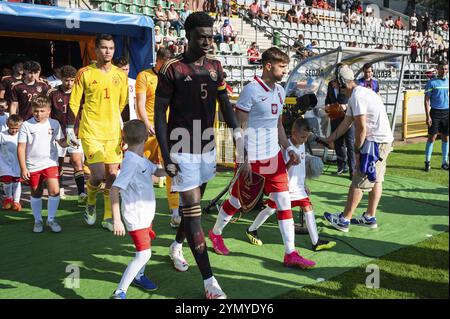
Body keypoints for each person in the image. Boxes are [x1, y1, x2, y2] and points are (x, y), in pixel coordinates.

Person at [154, 12, 242, 299]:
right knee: (192, 214)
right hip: (182, 150)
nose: (207, 41)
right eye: (201, 36)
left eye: (211, 35)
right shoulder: (172, 69)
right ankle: (209, 281)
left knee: (193, 209)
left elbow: (225, 104)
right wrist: (166, 155)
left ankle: (177, 246)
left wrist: (238, 136)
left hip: (206, 147)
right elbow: (159, 115)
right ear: (187, 36)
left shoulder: (216, 67)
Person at [209, 47, 316, 270]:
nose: (285, 70)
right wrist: (243, 157)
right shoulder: (251, 90)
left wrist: (288, 149)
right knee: (238, 202)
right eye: (282, 66)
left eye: (286, 66)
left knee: (283, 201)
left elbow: (277, 125)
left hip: (273, 157)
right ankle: (216, 233)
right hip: (251, 159)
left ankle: (290, 253)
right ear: (268, 66)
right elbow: (239, 126)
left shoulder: (279, 90)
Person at [246, 118, 336, 251]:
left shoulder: (302, 145)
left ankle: (316, 242)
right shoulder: (284, 147)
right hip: (283, 188)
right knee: (270, 209)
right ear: (293, 132)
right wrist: (290, 163)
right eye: (302, 137)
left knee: (308, 208)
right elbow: (279, 171)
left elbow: (302, 169)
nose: (304, 140)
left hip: (298, 188)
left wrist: (303, 184)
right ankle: (251, 229)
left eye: (306, 137)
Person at [323, 64, 394, 232]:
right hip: (383, 141)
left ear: (341, 82)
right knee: (376, 179)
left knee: (358, 180)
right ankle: (369, 217)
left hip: (374, 143)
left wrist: (357, 152)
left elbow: (361, 128)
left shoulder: (357, 97)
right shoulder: (360, 93)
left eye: (335, 82)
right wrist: (328, 139)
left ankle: (344, 220)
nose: (334, 85)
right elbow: (346, 124)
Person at [68, 34, 128, 232]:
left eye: (111, 47)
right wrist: (69, 128)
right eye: (103, 47)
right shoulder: (84, 73)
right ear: (95, 49)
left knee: (112, 174)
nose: (108, 51)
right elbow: (74, 102)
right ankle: (91, 199)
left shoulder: (121, 74)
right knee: (99, 174)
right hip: (91, 131)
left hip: (113, 133)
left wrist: (126, 131)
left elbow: (123, 105)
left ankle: (108, 216)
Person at [110, 120, 166, 299]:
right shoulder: (131, 163)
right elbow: (114, 189)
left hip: (146, 214)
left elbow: (157, 172)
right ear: (146, 137)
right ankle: (120, 291)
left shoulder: (140, 159)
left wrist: (172, 169)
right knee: (144, 254)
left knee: (145, 249)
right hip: (135, 217)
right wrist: (117, 220)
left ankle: (139, 276)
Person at [135, 47, 181, 228]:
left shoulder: (173, 77)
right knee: (143, 171)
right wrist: (146, 124)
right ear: (159, 60)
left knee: (171, 168)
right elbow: (139, 103)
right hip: (149, 130)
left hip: (169, 130)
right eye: (166, 64)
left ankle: (175, 212)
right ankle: (140, 209)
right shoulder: (144, 76)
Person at [18, 95, 73, 233]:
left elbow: (61, 142)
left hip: (50, 162)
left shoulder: (54, 124)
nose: (38, 114)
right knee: (36, 192)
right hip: (32, 165)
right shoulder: (26, 125)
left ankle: (51, 219)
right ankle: (38, 220)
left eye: (42, 111)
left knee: (54, 191)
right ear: (32, 110)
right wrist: (23, 168)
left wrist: (70, 142)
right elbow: (21, 148)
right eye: (36, 111)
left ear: (48, 111)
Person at [47, 65, 87, 205]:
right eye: (66, 80)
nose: (69, 83)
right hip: (58, 134)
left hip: (76, 132)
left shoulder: (81, 92)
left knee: (77, 161)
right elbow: (47, 113)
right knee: (58, 163)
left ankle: (82, 192)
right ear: (61, 78)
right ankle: (61, 188)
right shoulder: (52, 93)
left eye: (71, 80)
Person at [325, 72, 355, 178]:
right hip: (335, 116)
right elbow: (328, 98)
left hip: (348, 117)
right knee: (338, 143)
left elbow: (352, 100)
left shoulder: (347, 85)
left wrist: (345, 106)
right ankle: (342, 166)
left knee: (350, 144)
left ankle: (353, 170)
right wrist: (327, 106)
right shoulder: (330, 84)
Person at [424, 61, 449, 171]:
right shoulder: (431, 83)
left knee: (446, 138)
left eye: (446, 69)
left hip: (447, 113)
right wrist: (427, 116)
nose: (444, 71)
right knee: (432, 137)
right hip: (435, 113)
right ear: (437, 69)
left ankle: (444, 162)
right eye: (442, 68)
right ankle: (427, 162)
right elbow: (426, 100)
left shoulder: (448, 81)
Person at [0, 114, 23, 211]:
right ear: (7, 125)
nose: (14, 130)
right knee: (7, 180)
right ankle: (9, 198)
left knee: (16, 182)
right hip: (4, 162)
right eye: (12, 128)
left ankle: (16, 202)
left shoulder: (21, 136)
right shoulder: (2, 135)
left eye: (16, 128)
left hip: (17, 163)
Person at [113, 56, 137, 122]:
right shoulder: (112, 83)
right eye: (123, 69)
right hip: (116, 116)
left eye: (127, 69)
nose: (125, 72)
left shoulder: (133, 82)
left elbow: (136, 101)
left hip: (131, 117)